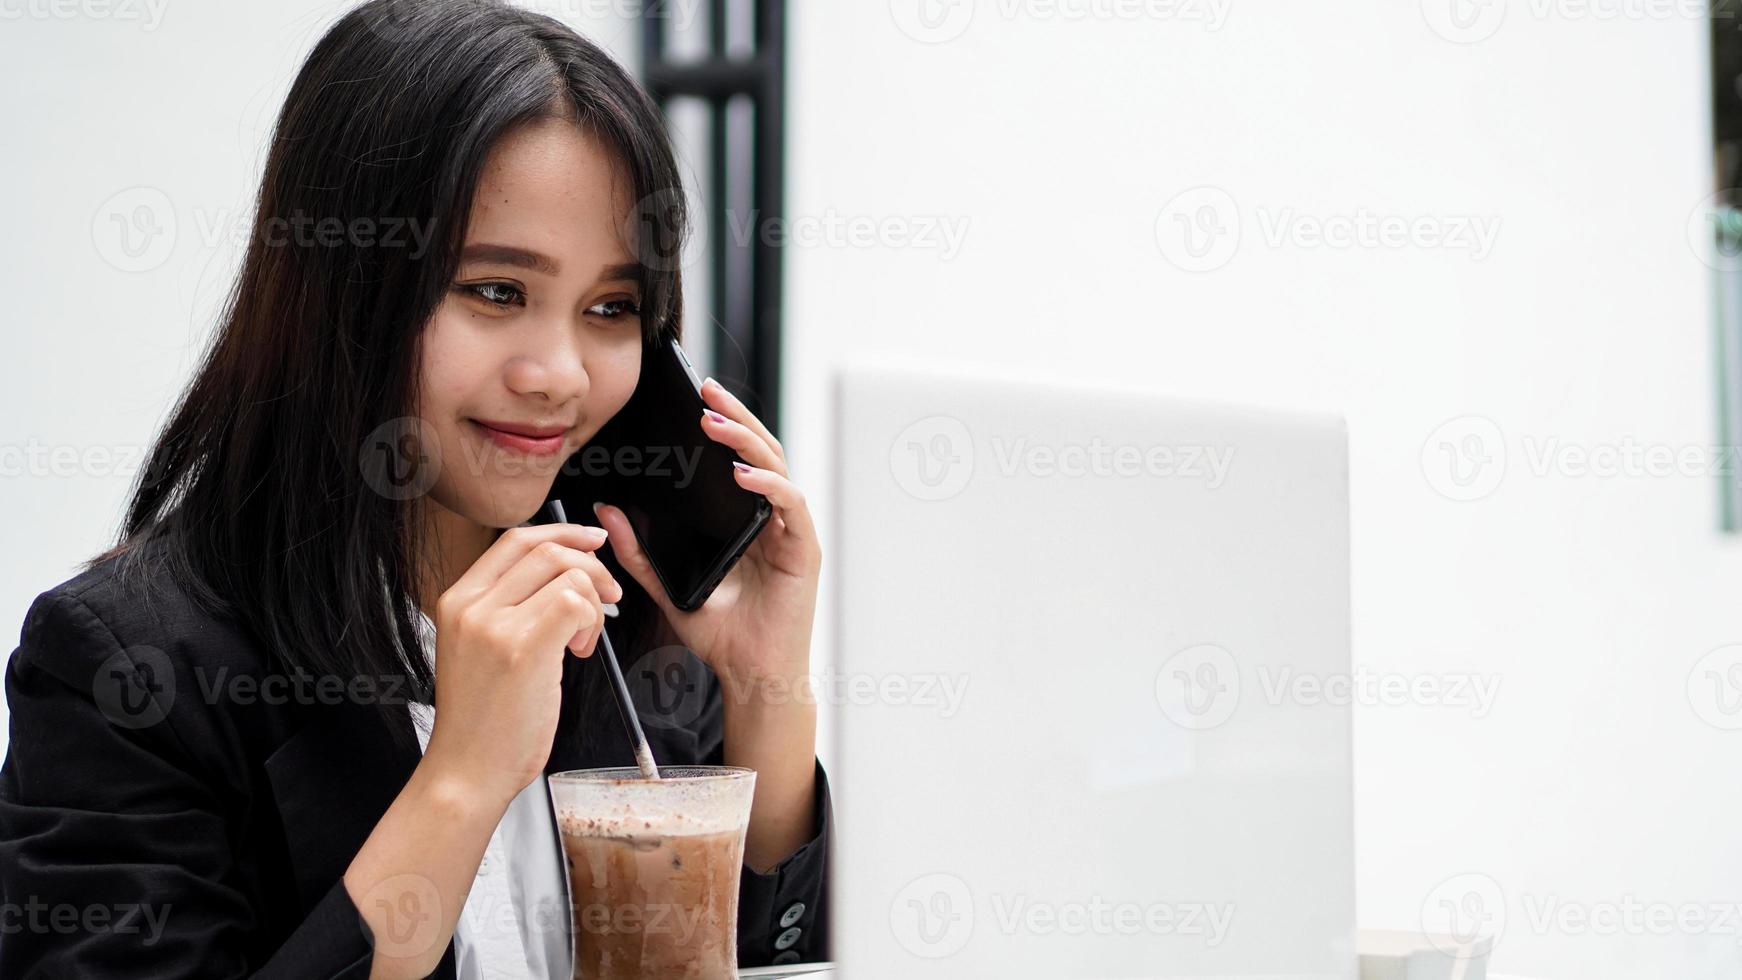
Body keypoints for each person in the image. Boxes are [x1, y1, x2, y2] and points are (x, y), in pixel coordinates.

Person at [0, 1, 831, 976]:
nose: (559, 371)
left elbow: (755, 954)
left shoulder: (621, 624)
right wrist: (460, 780)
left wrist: (764, 687)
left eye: (611, 306)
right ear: (344, 288)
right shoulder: (131, 670)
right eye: (495, 290)